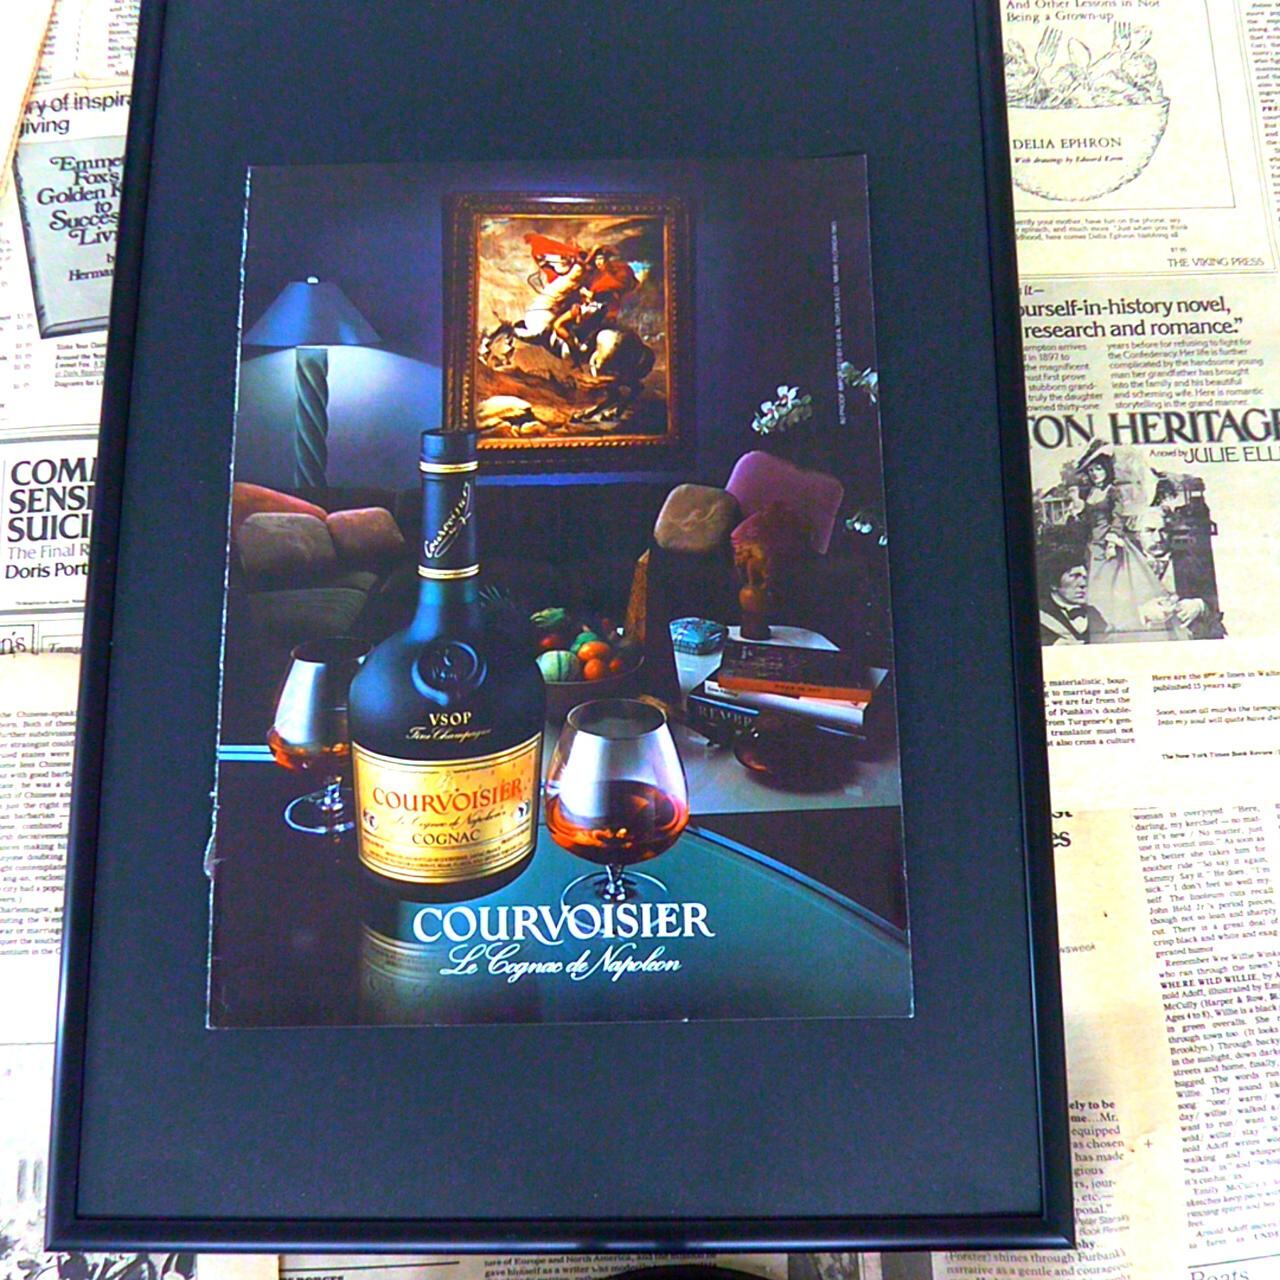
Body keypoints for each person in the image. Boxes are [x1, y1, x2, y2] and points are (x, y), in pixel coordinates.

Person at [1038, 547, 1107, 645]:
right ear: (1053, 583)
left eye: (1085, 577)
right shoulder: (1040, 617)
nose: (1083, 584)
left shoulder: (1094, 615)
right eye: (1075, 576)